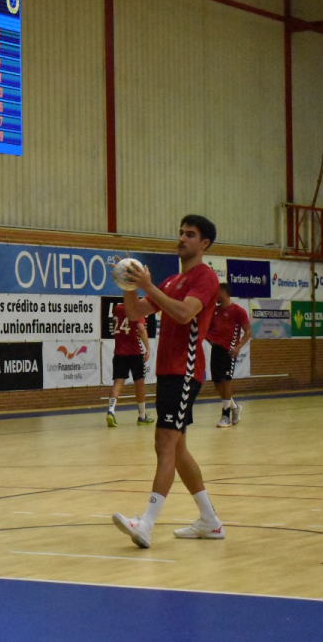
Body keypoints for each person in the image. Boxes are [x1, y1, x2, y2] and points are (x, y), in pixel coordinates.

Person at [111, 215, 225, 548]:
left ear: (204, 243)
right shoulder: (173, 280)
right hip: (168, 371)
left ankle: (146, 523)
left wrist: (149, 287)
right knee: (178, 449)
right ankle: (210, 521)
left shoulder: (205, 277)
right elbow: (136, 313)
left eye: (190, 234)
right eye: (181, 233)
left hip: (185, 370)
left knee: (164, 443)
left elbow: (185, 313)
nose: (182, 238)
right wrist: (130, 286)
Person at [207, 282, 252, 427]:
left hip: (229, 350)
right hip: (216, 349)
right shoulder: (215, 311)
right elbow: (207, 330)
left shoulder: (238, 311)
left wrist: (238, 346)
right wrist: (210, 340)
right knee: (217, 382)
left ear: (224, 292)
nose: (215, 295)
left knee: (225, 380)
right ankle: (234, 406)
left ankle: (225, 416)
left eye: (217, 292)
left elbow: (248, 331)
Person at [107, 301, 153, 427]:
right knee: (139, 384)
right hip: (135, 352)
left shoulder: (117, 308)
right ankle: (142, 416)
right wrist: (148, 348)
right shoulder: (137, 310)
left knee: (118, 383)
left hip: (119, 352)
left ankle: (111, 411)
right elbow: (141, 328)